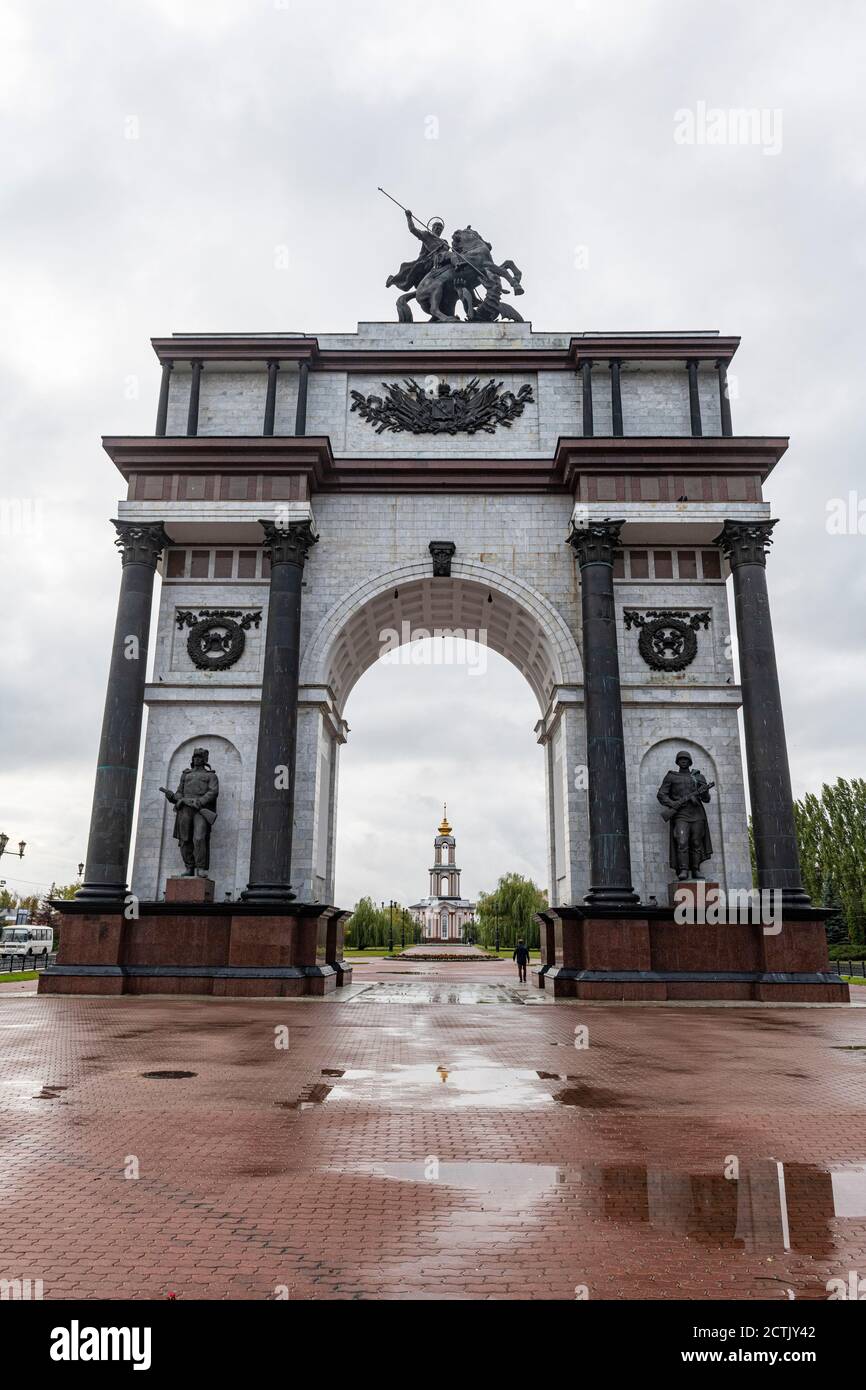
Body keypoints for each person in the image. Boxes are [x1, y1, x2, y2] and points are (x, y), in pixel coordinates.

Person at [159, 748, 219, 878]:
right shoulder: (185, 774)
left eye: (199, 757)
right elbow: (179, 792)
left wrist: (200, 801)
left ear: (204, 759)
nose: (197, 759)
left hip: (200, 811)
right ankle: (189, 867)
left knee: (199, 837)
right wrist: (172, 797)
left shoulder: (211, 776)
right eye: (195, 756)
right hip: (185, 809)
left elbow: (213, 792)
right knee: (184, 839)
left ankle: (201, 868)